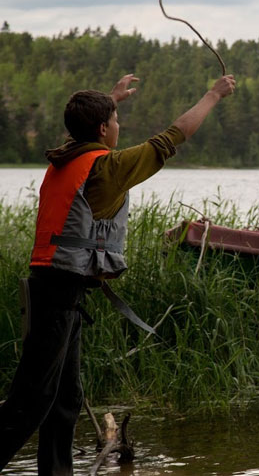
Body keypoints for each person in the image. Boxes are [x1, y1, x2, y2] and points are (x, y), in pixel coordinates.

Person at [0, 72, 236, 474]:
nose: (119, 128)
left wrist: (109, 101)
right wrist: (213, 94)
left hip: (57, 292)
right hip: (58, 296)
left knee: (65, 399)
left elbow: (85, 133)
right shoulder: (107, 169)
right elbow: (172, 137)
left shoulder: (68, 158)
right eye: (114, 121)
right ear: (103, 129)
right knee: (31, 401)